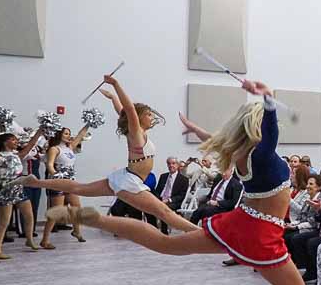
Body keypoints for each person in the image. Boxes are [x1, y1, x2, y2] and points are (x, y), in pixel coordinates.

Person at [47, 78, 321, 285]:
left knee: (164, 243)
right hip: (262, 236)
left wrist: (197, 129)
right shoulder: (262, 155)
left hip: (238, 224)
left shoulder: (239, 153)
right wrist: (267, 98)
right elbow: (272, 131)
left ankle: (95, 218)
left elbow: (220, 139)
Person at [11, 75, 195, 232]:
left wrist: (112, 97)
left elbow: (122, 111)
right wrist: (115, 84)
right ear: (138, 118)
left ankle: (35, 182)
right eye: (147, 114)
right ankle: (201, 232)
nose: (151, 117)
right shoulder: (136, 132)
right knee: (164, 212)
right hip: (130, 182)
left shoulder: (140, 133)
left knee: (79, 188)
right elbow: (129, 109)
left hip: (127, 177)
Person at [0, 129, 44, 255]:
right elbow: (1, 173)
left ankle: (29, 240)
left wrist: (39, 133)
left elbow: (30, 146)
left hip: (19, 188)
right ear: (4, 142)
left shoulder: (16, 155)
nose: (16, 141)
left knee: (29, 216)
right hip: (6, 188)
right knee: (4, 222)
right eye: (13, 139)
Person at [38, 124, 89, 248]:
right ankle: (45, 240)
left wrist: (89, 123)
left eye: (69, 133)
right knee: (56, 212)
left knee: (76, 207)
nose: (69, 136)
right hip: (58, 183)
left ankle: (76, 231)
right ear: (59, 135)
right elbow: (50, 164)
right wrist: (55, 175)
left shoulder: (70, 147)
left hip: (70, 182)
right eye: (66, 133)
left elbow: (80, 135)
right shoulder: (54, 149)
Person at [151, 157, 191, 234]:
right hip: (161, 200)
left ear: (178, 165)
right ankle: (153, 230)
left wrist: (168, 200)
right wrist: (155, 199)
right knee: (149, 206)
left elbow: (182, 195)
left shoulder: (184, 179)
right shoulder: (163, 176)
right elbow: (158, 191)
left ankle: (164, 232)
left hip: (173, 202)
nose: (171, 165)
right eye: (169, 163)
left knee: (163, 208)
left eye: (173, 163)